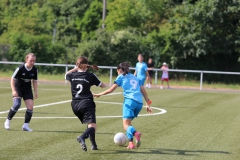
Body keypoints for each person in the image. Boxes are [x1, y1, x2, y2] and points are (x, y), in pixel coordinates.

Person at [93, 62, 153, 149]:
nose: (117, 73)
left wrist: (99, 94)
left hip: (129, 102)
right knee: (128, 124)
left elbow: (110, 89)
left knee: (125, 125)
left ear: (120, 70)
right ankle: (131, 143)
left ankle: (136, 133)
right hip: (139, 103)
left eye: (117, 71)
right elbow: (143, 91)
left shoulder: (121, 76)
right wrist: (148, 104)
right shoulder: (135, 77)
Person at [65, 56, 106, 152]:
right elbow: (103, 86)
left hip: (75, 105)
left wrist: (77, 67)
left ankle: (94, 145)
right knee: (93, 127)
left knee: (90, 124)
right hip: (86, 103)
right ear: (87, 65)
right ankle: (82, 137)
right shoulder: (90, 76)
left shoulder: (72, 75)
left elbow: (66, 74)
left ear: (77, 65)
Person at [4, 53, 38, 132]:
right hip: (18, 88)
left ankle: (25, 126)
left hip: (27, 89)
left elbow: (35, 81)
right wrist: (13, 90)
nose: (32, 62)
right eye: (31, 61)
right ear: (26, 60)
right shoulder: (20, 68)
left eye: (34, 61)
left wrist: (36, 92)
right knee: (17, 105)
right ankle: (8, 121)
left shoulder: (35, 69)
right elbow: (12, 79)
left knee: (30, 107)